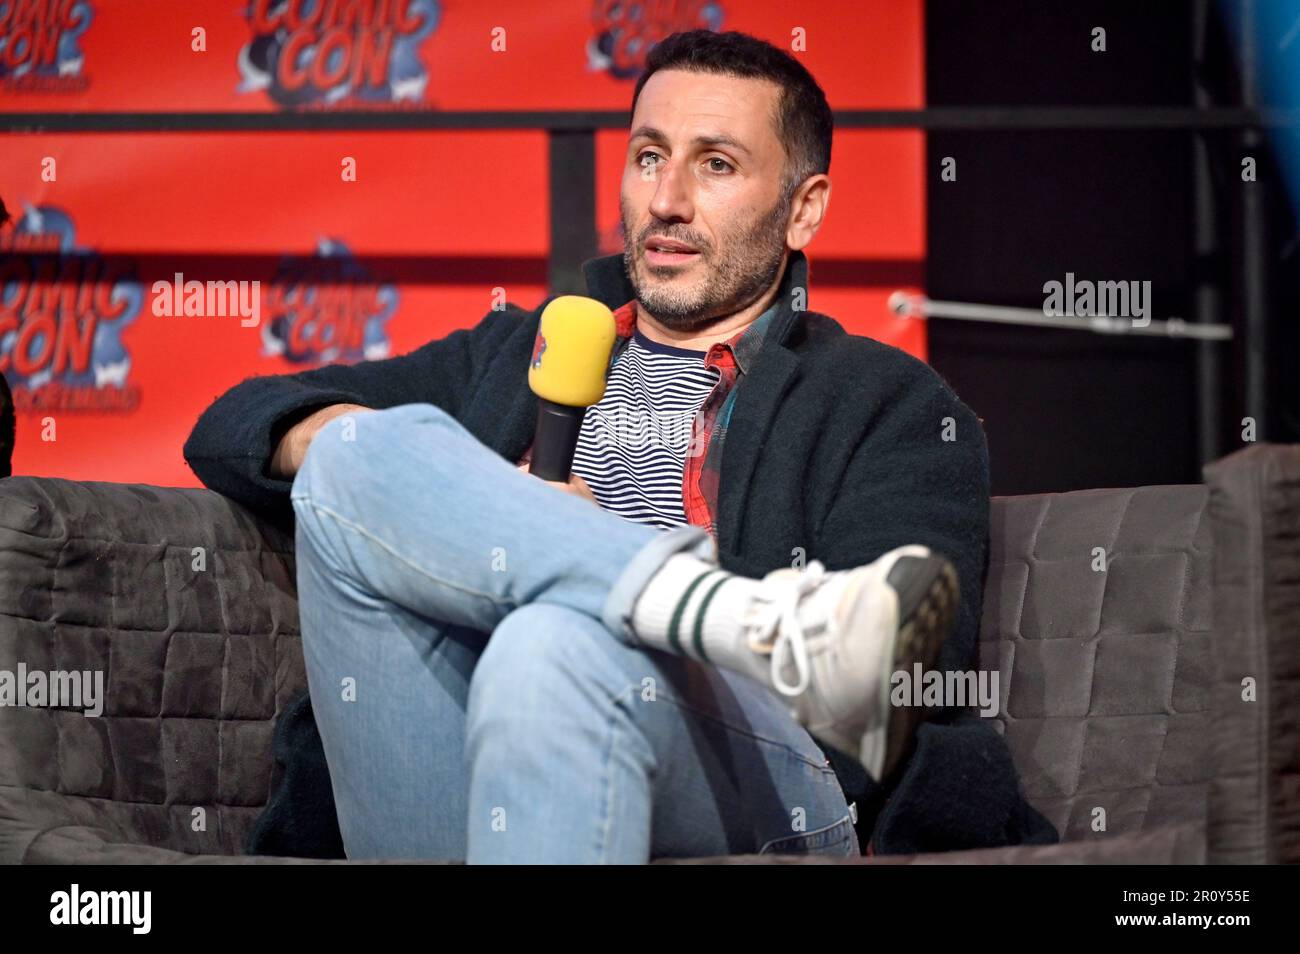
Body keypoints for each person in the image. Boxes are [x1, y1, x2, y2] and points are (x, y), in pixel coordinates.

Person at [185, 30, 1050, 863]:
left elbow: (896, 675)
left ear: (804, 209)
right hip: (449, 763)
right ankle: (740, 617)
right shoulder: (514, 356)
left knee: (548, 649)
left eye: (716, 164)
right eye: (648, 155)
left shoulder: (887, 403)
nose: (666, 199)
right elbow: (231, 421)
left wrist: (581, 580)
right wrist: (504, 511)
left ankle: (707, 619)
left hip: (768, 783)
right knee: (347, 451)